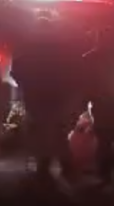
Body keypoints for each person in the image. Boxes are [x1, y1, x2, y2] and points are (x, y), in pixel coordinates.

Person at [15, 15, 75, 178]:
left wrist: (25, 85)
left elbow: (17, 69)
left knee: (44, 132)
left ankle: (46, 166)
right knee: (57, 132)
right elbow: (71, 72)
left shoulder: (30, 48)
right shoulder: (60, 49)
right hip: (54, 96)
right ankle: (63, 166)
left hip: (39, 96)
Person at [81, 27, 114, 188]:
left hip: (102, 105)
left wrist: (85, 102)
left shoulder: (89, 58)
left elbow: (85, 84)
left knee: (104, 141)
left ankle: (105, 176)